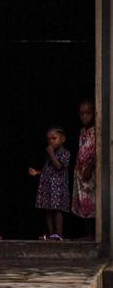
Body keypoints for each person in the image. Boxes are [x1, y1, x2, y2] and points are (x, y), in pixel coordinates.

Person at [28, 126, 71, 241]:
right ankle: (51, 233)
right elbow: (48, 169)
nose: (50, 141)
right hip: (48, 187)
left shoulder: (65, 153)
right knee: (47, 209)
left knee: (57, 209)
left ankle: (58, 233)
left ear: (62, 139)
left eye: (54, 138)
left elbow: (58, 166)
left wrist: (51, 154)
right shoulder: (49, 155)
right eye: (48, 139)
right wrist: (37, 172)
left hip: (58, 188)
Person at [72, 99, 97, 240]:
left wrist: (90, 166)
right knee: (83, 202)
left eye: (88, 113)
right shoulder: (82, 130)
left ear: (94, 113)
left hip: (91, 172)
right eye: (82, 114)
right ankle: (88, 233)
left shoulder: (96, 130)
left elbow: (96, 151)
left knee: (91, 202)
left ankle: (94, 234)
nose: (84, 116)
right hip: (81, 172)